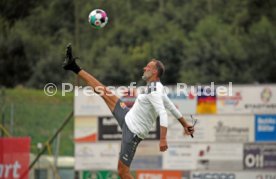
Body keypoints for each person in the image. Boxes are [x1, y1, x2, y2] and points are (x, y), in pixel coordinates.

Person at [63, 44, 194, 179]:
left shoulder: (155, 90)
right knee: (104, 91)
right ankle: (73, 66)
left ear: (155, 72)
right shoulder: (156, 87)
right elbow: (171, 107)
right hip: (127, 115)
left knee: (122, 172)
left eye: (148, 67)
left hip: (133, 132)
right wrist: (185, 124)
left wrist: (162, 139)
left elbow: (164, 113)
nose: (144, 68)